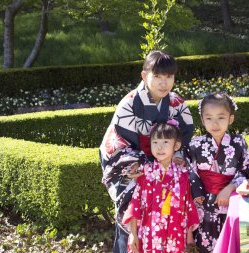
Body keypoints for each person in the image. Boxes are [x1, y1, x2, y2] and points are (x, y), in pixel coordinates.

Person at [99, 50, 194, 253]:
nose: (164, 83)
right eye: (157, 76)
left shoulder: (177, 103)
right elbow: (118, 143)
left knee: (176, 203)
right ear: (144, 76)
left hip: (166, 163)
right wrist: (142, 167)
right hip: (131, 164)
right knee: (132, 207)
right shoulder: (129, 104)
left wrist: (175, 157)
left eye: (169, 77)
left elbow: (183, 139)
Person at [189, 93, 249, 252]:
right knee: (206, 244)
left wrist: (229, 188)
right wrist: (198, 196)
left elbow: (246, 169)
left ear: (230, 119)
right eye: (209, 118)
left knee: (233, 243)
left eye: (221, 118)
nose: (215, 123)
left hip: (231, 199)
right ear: (202, 120)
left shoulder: (238, 142)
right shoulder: (195, 144)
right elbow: (190, 173)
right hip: (205, 203)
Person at [122, 121, 199, 253]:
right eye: (155, 142)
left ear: (176, 145)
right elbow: (135, 204)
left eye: (165, 142)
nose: (160, 148)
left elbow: (188, 206)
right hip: (149, 232)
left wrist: (190, 235)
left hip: (176, 232)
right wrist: (133, 234)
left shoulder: (183, 175)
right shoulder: (144, 173)